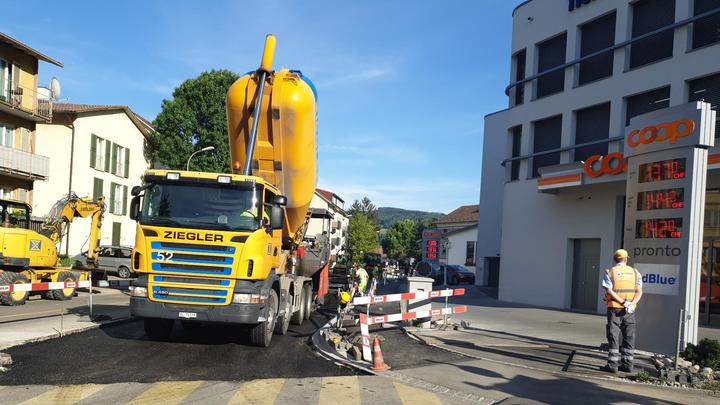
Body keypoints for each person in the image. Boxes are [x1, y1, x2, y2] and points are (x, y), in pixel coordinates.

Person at [601, 249, 643, 373]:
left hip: (614, 308)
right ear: (626, 259)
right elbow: (639, 291)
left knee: (613, 336)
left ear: (615, 259)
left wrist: (623, 302)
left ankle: (612, 365)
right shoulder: (635, 272)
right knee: (629, 336)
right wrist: (632, 303)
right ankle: (628, 365)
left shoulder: (610, 272)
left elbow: (609, 291)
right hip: (630, 310)